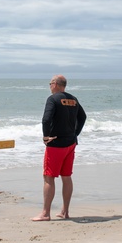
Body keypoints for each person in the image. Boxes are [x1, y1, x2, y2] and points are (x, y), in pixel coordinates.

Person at [33, 74, 86, 222]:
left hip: (56, 144)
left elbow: (46, 119)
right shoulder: (73, 99)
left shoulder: (53, 99)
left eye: (50, 83)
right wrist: (75, 133)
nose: (50, 86)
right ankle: (65, 211)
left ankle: (45, 213)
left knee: (49, 177)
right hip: (70, 143)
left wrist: (46, 136)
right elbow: (83, 117)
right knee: (66, 176)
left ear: (55, 84)